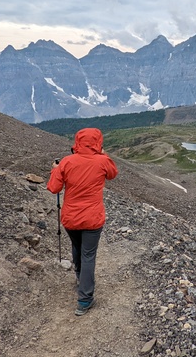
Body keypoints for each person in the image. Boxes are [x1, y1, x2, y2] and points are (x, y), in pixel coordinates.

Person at [47, 127, 118, 316]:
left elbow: (54, 188)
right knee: (88, 255)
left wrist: (55, 171)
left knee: (77, 247)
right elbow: (112, 174)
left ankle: (79, 278)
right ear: (98, 142)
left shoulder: (66, 162)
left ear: (77, 142)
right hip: (93, 218)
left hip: (71, 217)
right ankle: (85, 299)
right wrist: (102, 153)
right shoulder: (103, 161)